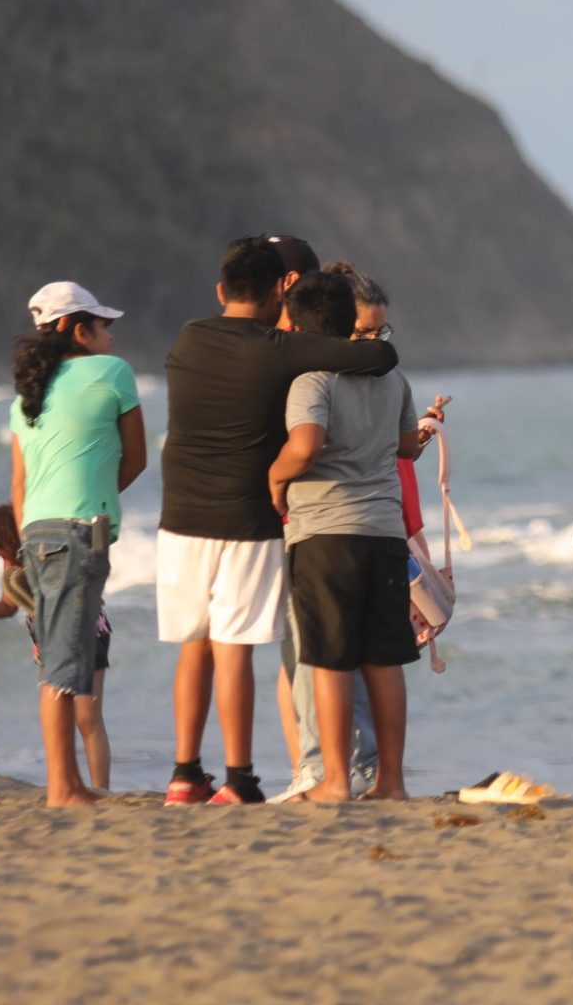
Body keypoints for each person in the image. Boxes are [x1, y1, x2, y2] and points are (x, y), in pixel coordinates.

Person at [156, 235, 398, 805]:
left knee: (194, 642)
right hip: (245, 514)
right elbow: (376, 358)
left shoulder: (187, 339)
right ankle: (239, 778)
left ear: (220, 290)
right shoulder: (278, 350)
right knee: (235, 643)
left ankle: (185, 772)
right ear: (279, 293)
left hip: (179, 514)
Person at [269, 262, 449, 798]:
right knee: (384, 660)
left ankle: (336, 782)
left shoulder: (312, 380)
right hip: (384, 534)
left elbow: (303, 448)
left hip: (327, 533)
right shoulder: (394, 378)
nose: (372, 340)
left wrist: (275, 479)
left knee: (328, 659)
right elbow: (405, 448)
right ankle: (390, 782)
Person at [9, 282, 147, 808]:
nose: (110, 334)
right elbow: (135, 458)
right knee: (66, 666)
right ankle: (63, 787)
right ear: (76, 329)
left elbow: (19, 488)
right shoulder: (112, 373)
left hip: (37, 533)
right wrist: (99, 496)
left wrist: (26, 543)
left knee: (59, 656)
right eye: (103, 325)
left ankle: (65, 782)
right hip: (78, 532)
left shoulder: (27, 393)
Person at [0, 504, 111, 792]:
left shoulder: (46, 552)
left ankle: (101, 789)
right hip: (46, 640)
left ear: (10, 536)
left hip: (86, 629)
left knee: (87, 718)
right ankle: (63, 783)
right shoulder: (12, 568)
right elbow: (8, 606)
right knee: (58, 719)